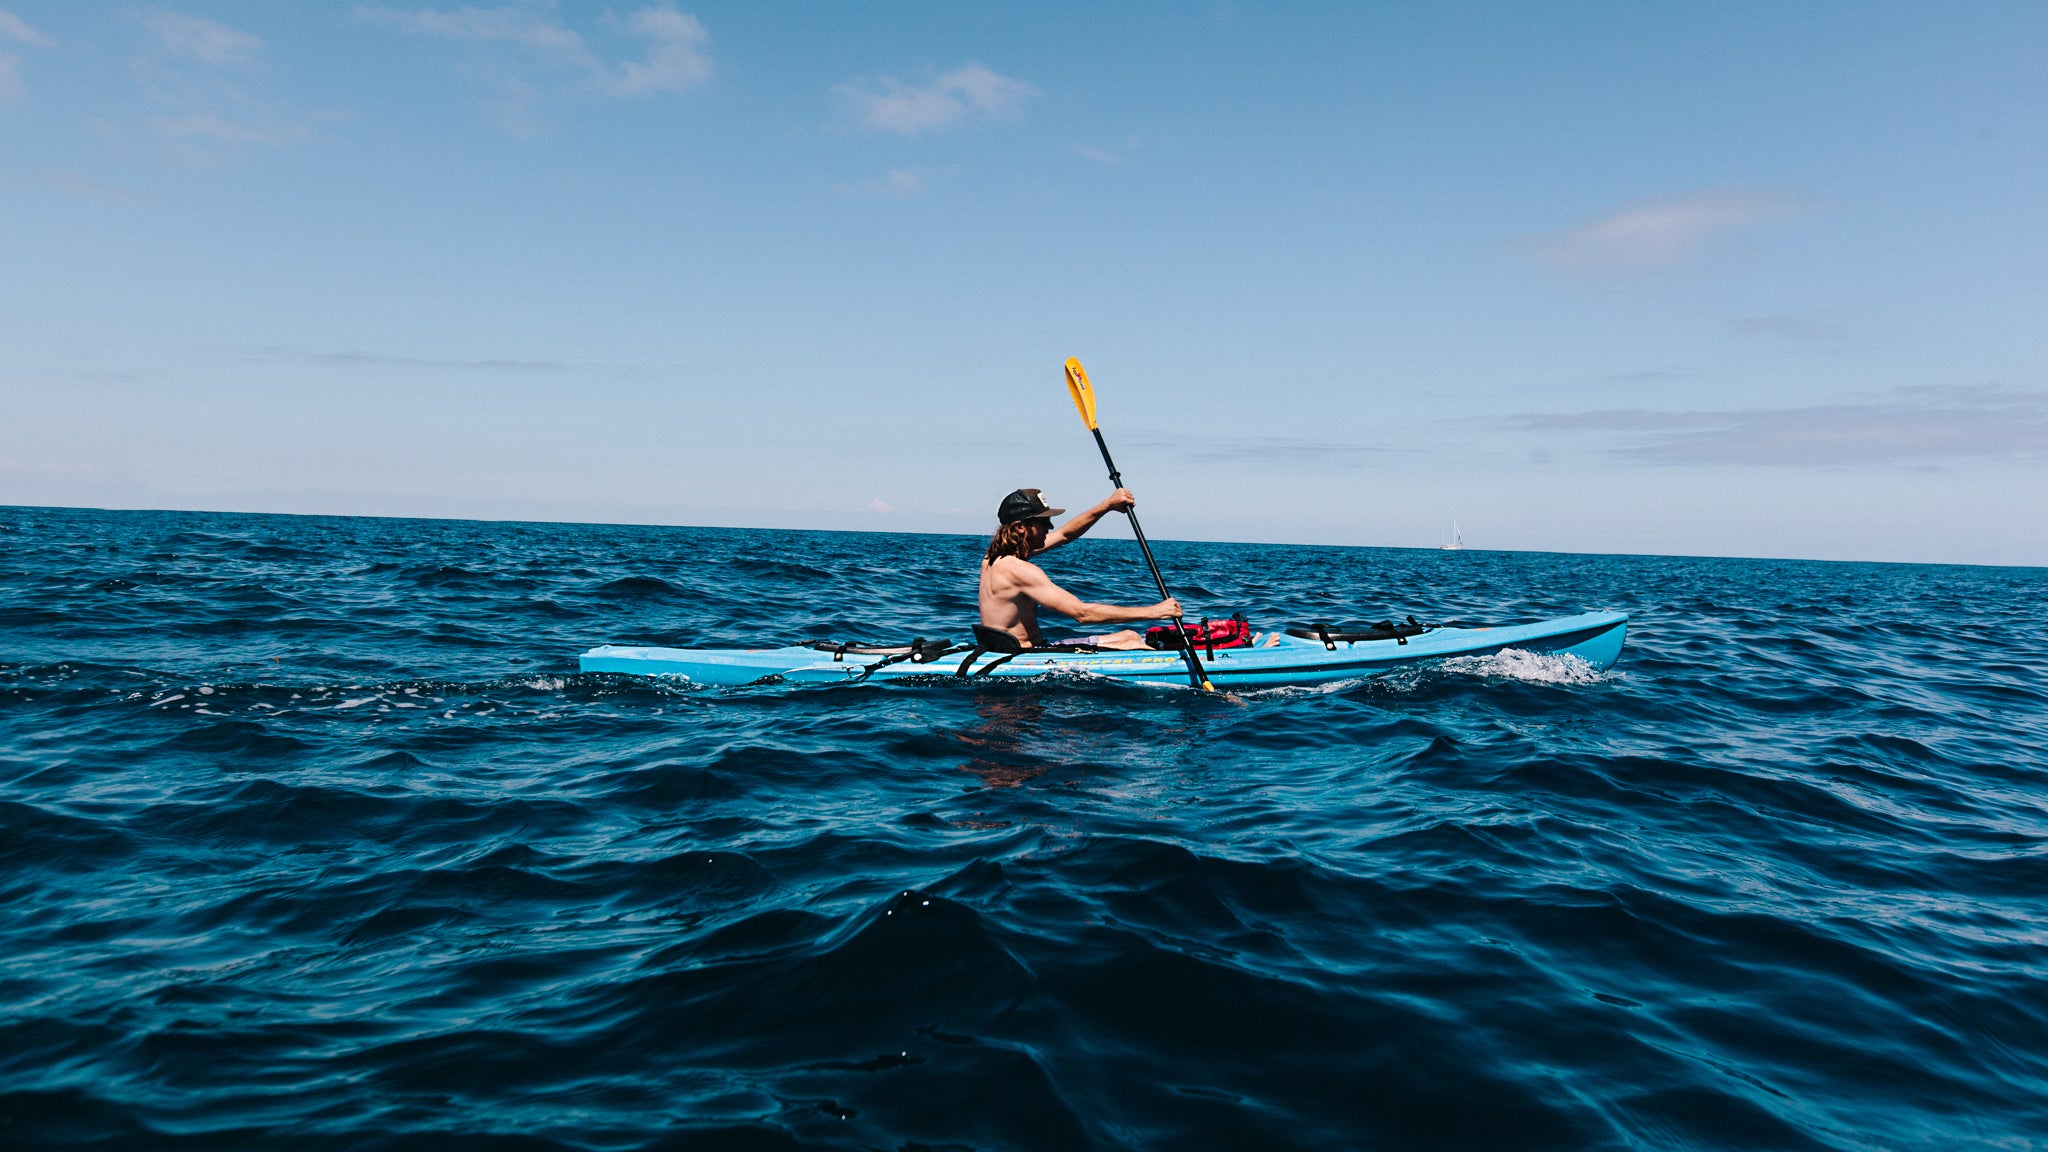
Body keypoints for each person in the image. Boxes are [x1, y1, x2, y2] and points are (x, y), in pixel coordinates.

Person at [978, 487, 1182, 651]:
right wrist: (1154, 611)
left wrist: (1108, 505)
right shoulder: (1020, 570)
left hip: (1007, 650)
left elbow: (1065, 534)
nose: (1050, 527)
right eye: (1043, 522)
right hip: (1027, 654)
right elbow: (1082, 614)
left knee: (1130, 634)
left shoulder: (993, 558)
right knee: (1132, 643)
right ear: (1020, 527)